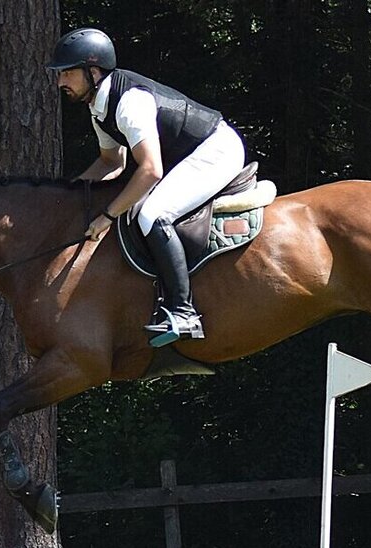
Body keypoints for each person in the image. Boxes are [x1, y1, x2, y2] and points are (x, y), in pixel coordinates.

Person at [47, 27, 245, 346]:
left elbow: (150, 170)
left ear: (93, 72)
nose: (60, 83)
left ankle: (184, 313)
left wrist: (107, 217)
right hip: (187, 157)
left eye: (67, 73)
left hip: (216, 150)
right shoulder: (99, 108)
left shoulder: (128, 103)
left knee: (151, 214)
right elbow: (112, 162)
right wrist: (63, 197)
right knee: (139, 208)